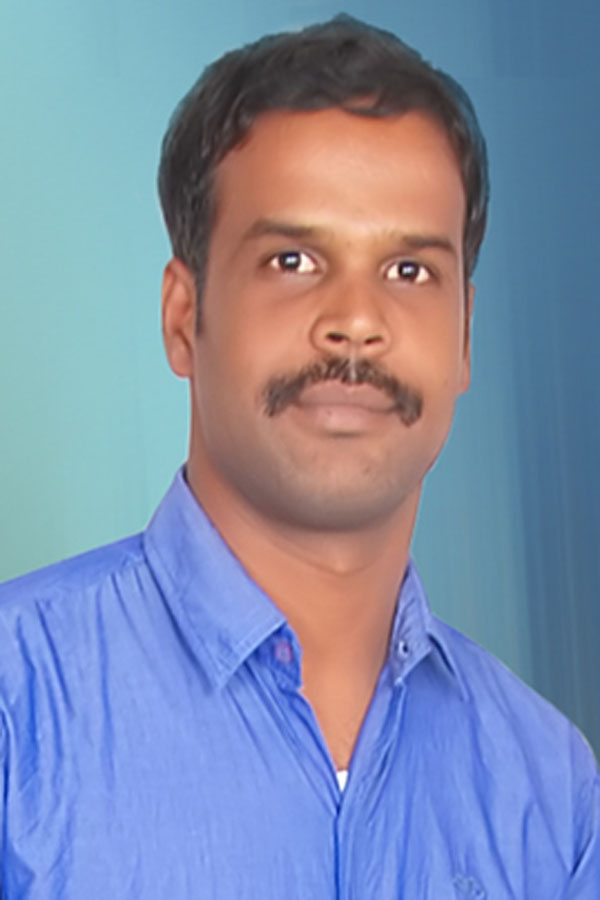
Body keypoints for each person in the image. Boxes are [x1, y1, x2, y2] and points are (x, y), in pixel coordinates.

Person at [0, 14, 598, 899]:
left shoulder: (552, 793)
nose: (355, 321)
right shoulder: (17, 713)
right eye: (293, 259)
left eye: (409, 271)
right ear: (183, 317)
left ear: (466, 335)